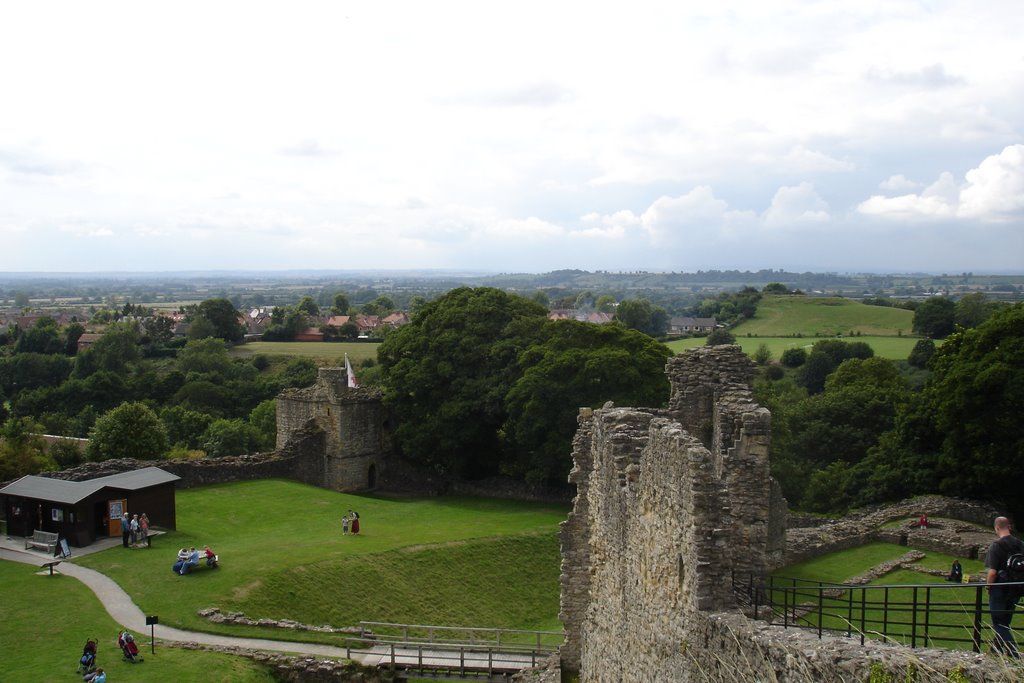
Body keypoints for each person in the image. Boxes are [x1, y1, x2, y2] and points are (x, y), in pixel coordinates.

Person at [985, 516, 1024, 657]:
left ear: (997, 528)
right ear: (1009, 527)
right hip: (1016, 588)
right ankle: (996, 651)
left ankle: (1014, 655)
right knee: (1005, 622)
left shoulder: (996, 545)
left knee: (998, 622)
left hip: (1000, 589)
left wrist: (988, 587)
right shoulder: (1020, 544)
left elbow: (993, 572)